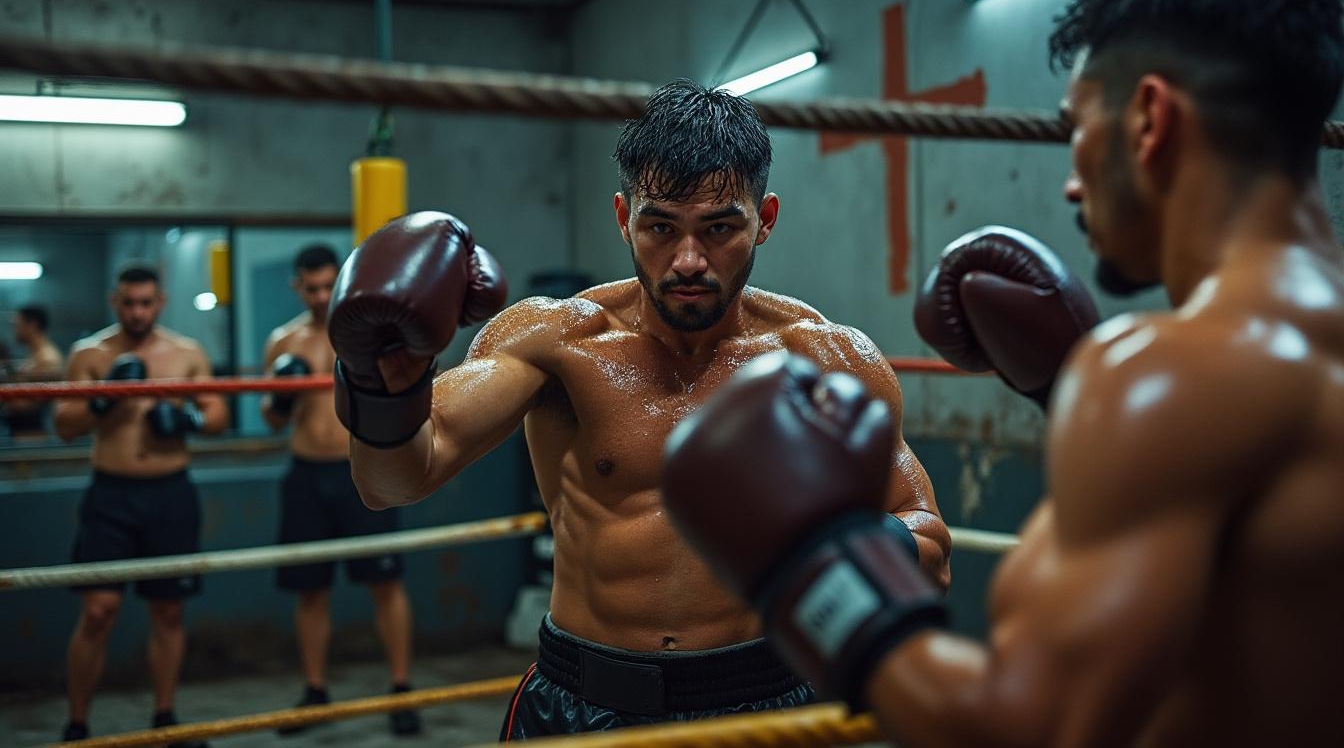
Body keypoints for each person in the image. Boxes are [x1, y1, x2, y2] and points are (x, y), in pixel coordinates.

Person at [659, 0, 1344, 746]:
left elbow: (1029, 729)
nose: (1072, 182)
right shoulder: (1281, 363)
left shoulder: (1167, 376)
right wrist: (1067, 394)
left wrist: (816, 568)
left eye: (1075, 131)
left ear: (1151, 119)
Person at [325, 79, 951, 739]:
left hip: (766, 699)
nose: (688, 260)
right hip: (581, 703)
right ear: (623, 217)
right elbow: (391, 481)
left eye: (718, 229)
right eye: (660, 226)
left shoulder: (829, 358)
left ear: (764, 219)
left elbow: (931, 550)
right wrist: (383, 384)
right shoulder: (554, 340)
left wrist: (822, 545)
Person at [53, 265, 228, 745]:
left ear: (161, 301)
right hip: (111, 494)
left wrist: (185, 417)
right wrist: (102, 402)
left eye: (145, 303)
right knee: (97, 611)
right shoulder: (90, 354)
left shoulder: (186, 353)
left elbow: (218, 415)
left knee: (169, 612)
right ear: (115, 301)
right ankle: (77, 724)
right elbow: (65, 425)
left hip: (170, 492)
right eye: (129, 303)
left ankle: (165, 718)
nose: (137, 312)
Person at [260, 244, 420, 736]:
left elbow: (404, 390)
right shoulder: (282, 342)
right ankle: (314, 692)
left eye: (329, 286)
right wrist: (282, 401)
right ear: (297, 286)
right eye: (311, 288)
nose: (320, 296)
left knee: (385, 583)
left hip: (365, 473)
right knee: (311, 591)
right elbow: (269, 420)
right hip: (307, 475)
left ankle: (401, 690)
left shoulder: (366, 335)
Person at [2, 304, 65, 440]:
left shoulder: (47, 358)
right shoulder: (35, 356)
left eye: (17, 325)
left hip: (34, 438)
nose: (14, 330)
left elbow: (25, 406)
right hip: (24, 435)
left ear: (32, 325)